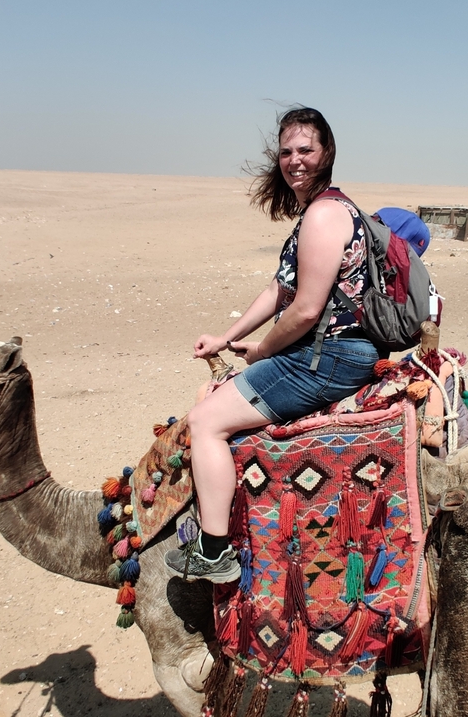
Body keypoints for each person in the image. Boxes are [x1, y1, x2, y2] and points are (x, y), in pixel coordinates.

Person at [164, 107, 380, 583]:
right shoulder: (323, 211)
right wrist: (227, 338)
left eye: (305, 150)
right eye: (286, 152)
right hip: (324, 353)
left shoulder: (324, 215)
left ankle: (213, 551)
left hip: (328, 357)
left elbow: (305, 310)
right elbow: (280, 289)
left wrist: (263, 351)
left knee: (205, 422)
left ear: (326, 153)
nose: (294, 160)